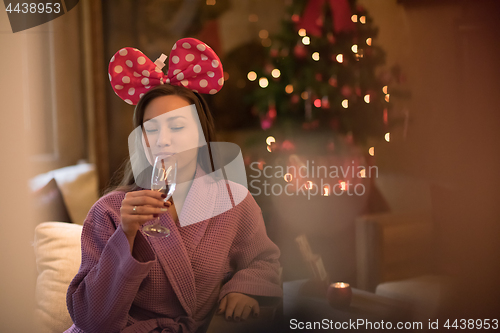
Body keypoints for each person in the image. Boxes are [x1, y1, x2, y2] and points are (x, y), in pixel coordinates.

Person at [65, 39, 282, 333]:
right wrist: (125, 235)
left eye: (177, 127)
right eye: (151, 129)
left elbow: (263, 261)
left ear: (201, 133)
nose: (162, 139)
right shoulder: (109, 211)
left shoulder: (233, 200)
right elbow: (91, 319)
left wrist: (242, 289)